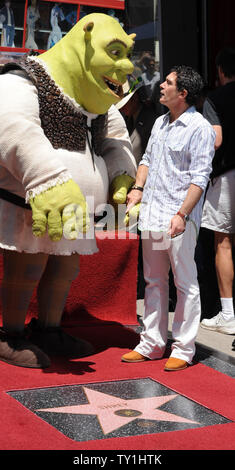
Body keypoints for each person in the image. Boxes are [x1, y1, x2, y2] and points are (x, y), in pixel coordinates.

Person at [0, 13, 137, 369]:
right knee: (27, 266)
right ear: (84, 40)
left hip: (76, 210)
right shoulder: (25, 78)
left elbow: (116, 140)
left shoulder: (99, 101)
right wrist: (47, 179)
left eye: (128, 55)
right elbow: (13, 126)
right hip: (33, 202)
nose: (126, 67)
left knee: (65, 270)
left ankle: (50, 328)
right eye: (116, 52)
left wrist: (122, 173)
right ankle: (9, 335)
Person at [121, 65, 216, 371]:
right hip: (152, 213)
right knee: (153, 281)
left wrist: (182, 214)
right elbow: (147, 159)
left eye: (168, 82)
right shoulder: (161, 122)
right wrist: (137, 189)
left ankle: (184, 348)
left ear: (183, 93)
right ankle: (151, 344)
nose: (161, 85)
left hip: (178, 217)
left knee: (185, 283)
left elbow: (200, 178)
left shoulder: (199, 128)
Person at [200, 48, 235, 336]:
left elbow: (216, 140)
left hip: (226, 176)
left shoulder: (215, 98)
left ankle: (228, 314)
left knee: (222, 243)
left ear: (221, 71)